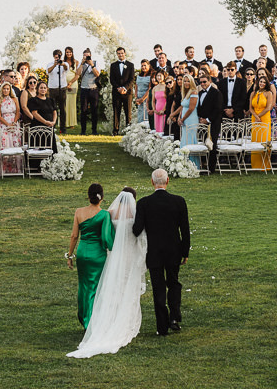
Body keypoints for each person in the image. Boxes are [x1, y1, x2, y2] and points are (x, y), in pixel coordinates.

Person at [67, 187, 147, 359]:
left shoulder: (108, 212)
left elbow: (75, 235)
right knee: (117, 289)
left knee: (89, 287)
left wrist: (70, 255)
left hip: (86, 253)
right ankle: (115, 321)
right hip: (118, 255)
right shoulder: (124, 214)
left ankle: (89, 319)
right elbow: (111, 237)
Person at [132, 169, 190, 336]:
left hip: (154, 251)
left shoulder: (144, 203)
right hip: (174, 250)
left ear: (152, 182)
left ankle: (162, 326)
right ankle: (174, 318)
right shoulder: (179, 201)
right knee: (173, 282)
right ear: (168, 181)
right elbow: (184, 230)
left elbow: (137, 230)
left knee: (158, 287)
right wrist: (185, 251)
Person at [66, 183, 114, 329]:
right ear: (102, 197)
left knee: (84, 286)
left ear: (88, 196)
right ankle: (92, 321)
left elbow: (74, 236)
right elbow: (106, 238)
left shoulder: (78, 212)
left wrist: (70, 255)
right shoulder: (105, 214)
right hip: (97, 254)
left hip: (82, 252)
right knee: (96, 287)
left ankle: (84, 316)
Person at [196, 72, 223, 173]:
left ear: (210, 81)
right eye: (201, 82)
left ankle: (211, 168)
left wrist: (207, 120)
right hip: (202, 123)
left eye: (204, 82)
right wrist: (200, 119)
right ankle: (203, 164)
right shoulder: (199, 93)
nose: (202, 84)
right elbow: (199, 107)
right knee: (203, 143)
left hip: (213, 123)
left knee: (212, 144)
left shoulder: (217, 93)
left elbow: (218, 109)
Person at [249, 72, 275, 171]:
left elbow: (268, 107)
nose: (262, 83)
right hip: (254, 118)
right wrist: (255, 116)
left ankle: (265, 166)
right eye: (261, 81)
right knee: (255, 140)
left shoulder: (269, 93)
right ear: (258, 82)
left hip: (264, 118)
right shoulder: (253, 93)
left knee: (264, 141)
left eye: (264, 82)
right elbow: (250, 108)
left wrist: (258, 116)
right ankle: (255, 165)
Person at [0, 82, 22, 174]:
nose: (6, 90)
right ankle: (4, 169)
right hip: (4, 124)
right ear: (1, 90)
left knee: (15, 144)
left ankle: (16, 169)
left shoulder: (15, 99)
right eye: (4, 88)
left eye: (7, 89)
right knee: (5, 144)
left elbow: (18, 111)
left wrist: (14, 122)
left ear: (10, 90)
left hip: (14, 123)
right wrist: (7, 124)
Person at [109, 47, 135, 135]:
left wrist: (124, 88)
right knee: (116, 111)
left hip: (127, 93)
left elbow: (132, 79)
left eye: (122, 53)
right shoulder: (113, 65)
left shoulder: (130, 65)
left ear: (125, 54)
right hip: (116, 92)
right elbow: (112, 79)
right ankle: (115, 130)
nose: (120, 55)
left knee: (128, 112)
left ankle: (128, 130)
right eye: (119, 53)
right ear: (117, 54)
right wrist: (118, 88)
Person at [177, 75, 200, 167]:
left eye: (188, 81)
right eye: (185, 81)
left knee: (189, 141)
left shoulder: (193, 92)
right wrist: (179, 117)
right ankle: (183, 164)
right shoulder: (185, 93)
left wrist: (182, 119)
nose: (186, 83)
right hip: (184, 120)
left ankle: (192, 164)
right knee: (184, 140)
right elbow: (183, 107)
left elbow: (191, 108)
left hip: (191, 120)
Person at [77, 49, 101, 135]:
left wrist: (92, 65)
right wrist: (82, 63)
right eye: (84, 55)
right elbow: (78, 73)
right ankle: (83, 131)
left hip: (93, 89)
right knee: (83, 111)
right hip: (84, 89)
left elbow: (97, 74)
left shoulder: (95, 62)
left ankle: (94, 130)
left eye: (87, 55)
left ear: (91, 55)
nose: (86, 57)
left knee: (94, 110)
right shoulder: (81, 63)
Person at [28, 81, 58, 151]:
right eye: (41, 88)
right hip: (38, 126)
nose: (43, 89)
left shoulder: (51, 100)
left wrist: (53, 122)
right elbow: (35, 113)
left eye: (45, 88)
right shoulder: (33, 100)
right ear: (37, 89)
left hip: (49, 126)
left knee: (50, 147)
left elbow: (54, 112)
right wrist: (45, 122)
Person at [46, 49, 69, 133]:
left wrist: (62, 64)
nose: (57, 59)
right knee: (52, 108)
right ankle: (52, 126)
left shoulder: (64, 64)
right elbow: (48, 71)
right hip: (52, 89)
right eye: (56, 57)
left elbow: (66, 68)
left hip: (62, 88)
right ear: (53, 57)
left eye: (58, 57)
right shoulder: (50, 64)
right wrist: (55, 65)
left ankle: (63, 128)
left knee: (62, 109)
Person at [63, 47, 78, 131]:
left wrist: (70, 83)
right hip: (63, 85)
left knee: (71, 104)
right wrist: (65, 84)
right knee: (64, 103)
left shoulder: (76, 62)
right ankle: (64, 123)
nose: (69, 54)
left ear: (72, 53)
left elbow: (77, 75)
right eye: (67, 52)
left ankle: (72, 123)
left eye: (70, 52)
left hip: (73, 85)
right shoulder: (63, 63)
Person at [134, 59, 153, 125]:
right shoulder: (139, 76)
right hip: (139, 99)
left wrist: (143, 99)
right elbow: (136, 86)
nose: (143, 67)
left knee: (145, 116)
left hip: (146, 98)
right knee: (140, 115)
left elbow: (150, 88)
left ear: (149, 65)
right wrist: (136, 98)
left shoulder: (151, 76)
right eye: (142, 66)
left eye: (145, 65)